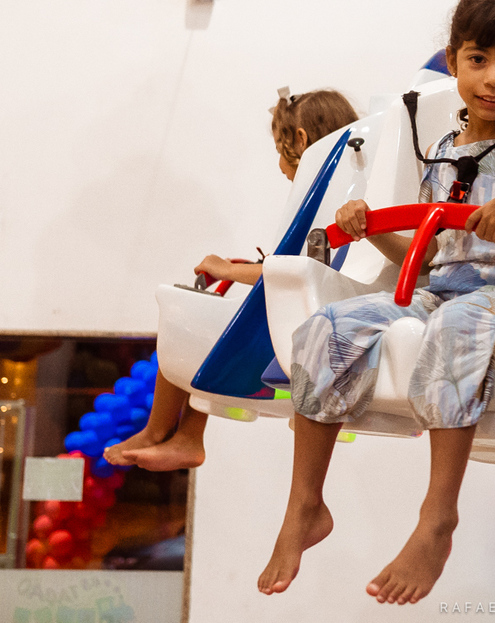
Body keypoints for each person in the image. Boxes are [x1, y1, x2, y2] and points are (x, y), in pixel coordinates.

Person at [257, 0, 495, 605]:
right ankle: (306, 505)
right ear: (455, 60)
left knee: (453, 328)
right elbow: (429, 254)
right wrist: (371, 228)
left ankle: (437, 519)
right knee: (325, 327)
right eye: (478, 60)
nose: (494, 79)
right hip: (437, 285)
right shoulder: (440, 149)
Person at [102, 88, 358, 472]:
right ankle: (187, 436)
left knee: (184, 313)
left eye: (280, 150)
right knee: (211, 321)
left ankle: (157, 432)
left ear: (301, 139)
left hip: (308, 331)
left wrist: (227, 269)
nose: (279, 164)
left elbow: (299, 273)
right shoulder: (348, 191)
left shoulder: (329, 201)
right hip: (316, 316)